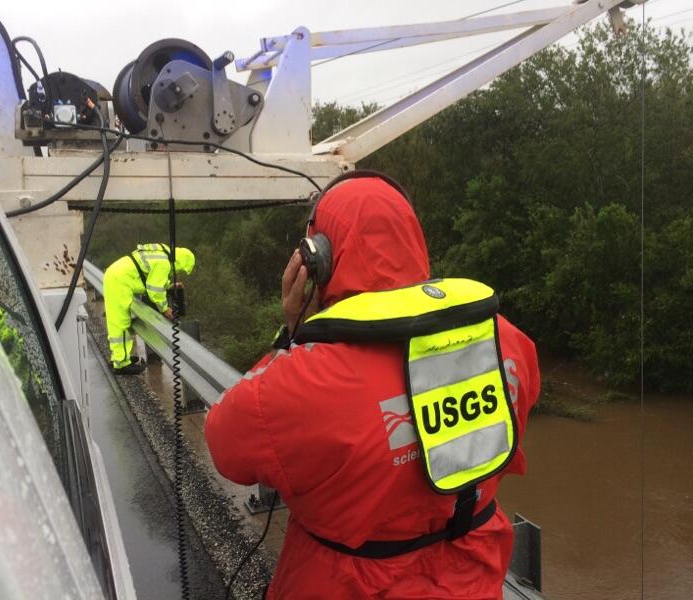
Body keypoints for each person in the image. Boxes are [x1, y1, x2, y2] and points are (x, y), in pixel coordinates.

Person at [204, 173, 539, 599]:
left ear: (317, 260)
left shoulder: (303, 383)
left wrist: (291, 335)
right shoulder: (506, 341)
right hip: (473, 578)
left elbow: (223, 443)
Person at [103, 243, 195, 374]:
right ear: (180, 263)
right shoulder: (165, 263)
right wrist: (165, 309)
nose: (178, 272)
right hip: (120, 281)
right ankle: (121, 365)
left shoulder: (163, 254)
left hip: (115, 275)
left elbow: (152, 277)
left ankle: (119, 358)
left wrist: (169, 285)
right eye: (180, 270)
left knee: (116, 322)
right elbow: (154, 290)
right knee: (120, 323)